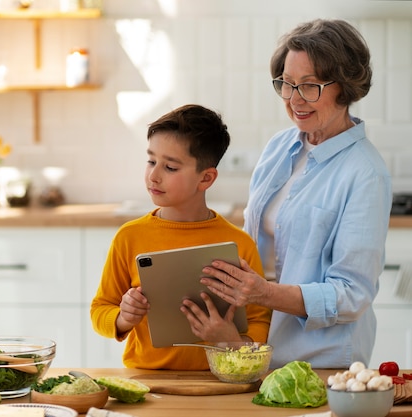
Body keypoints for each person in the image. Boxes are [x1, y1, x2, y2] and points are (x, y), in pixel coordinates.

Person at [196, 19, 392, 369]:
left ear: (344, 88)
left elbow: (352, 295)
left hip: (320, 362)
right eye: (286, 84)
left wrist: (263, 293)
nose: (294, 99)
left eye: (309, 86)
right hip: (255, 350)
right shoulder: (279, 147)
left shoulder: (365, 173)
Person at [90, 104, 271, 370]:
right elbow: (100, 309)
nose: (153, 175)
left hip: (217, 383)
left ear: (206, 178)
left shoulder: (239, 245)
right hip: (146, 383)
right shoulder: (129, 237)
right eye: (151, 161)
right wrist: (123, 318)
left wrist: (231, 340)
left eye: (170, 168)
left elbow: (260, 320)